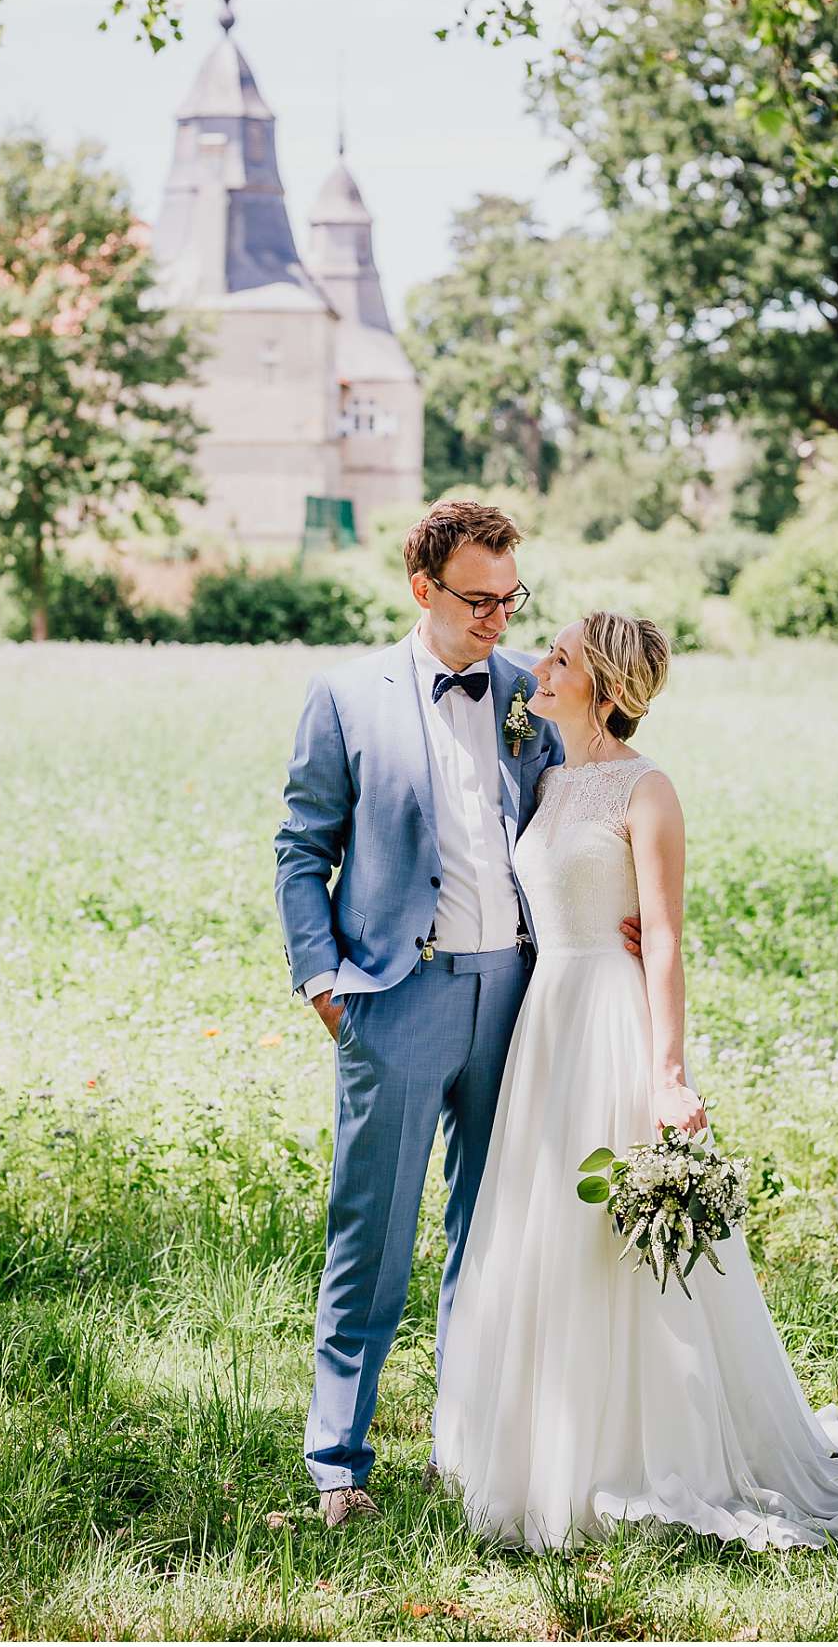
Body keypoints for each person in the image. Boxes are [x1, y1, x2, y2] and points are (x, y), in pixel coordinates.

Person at [433, 610, 838, 1551]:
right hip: (545, 1020)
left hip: (609, 1018)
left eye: (560, 657)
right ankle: (540, 1438)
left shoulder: (649, 790)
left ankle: (645, 1444)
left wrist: (668, 1074)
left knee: (612, 1232)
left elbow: (667, 938)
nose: (540, 666)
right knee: (542, 1221)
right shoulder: (549, 779)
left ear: (601, 685)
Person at [274, 500, 644, 1525]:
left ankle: (464, 1447)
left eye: (511, 599)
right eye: (478, 600)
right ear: (423, 588)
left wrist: (634, 918)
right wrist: (324, 983)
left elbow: (611, 800)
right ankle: (339, 1467)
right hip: (393, 999)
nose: (498, 619)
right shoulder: (345, 698)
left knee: (495, 1235)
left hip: (524, 1002)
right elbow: (301, 848)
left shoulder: (535, 691)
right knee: (372, 1236)